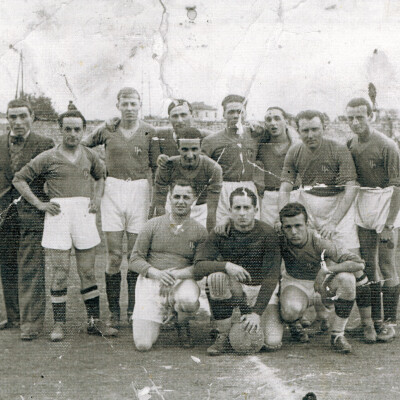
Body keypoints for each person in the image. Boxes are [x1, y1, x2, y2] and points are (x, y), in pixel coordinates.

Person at [13, 107, 118, 341]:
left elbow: (101, 176)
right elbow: (19, 179)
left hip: (83, 214)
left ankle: (94, 321)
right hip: (58, 215)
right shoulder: (48, 156)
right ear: (60, 130)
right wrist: (40, 204)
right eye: (68, 129)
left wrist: (97, 197)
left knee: (88, 272)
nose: (72, 133)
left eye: (77, 129)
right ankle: (59, 324)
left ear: (83, 131)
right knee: (60, 273)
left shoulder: (90, 155)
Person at [278, 109, 369, 337]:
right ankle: (322, 316)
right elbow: (285, 185)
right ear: (298, 130)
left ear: (323, 128)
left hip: (338, 207)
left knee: (353, 266)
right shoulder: (295, 150)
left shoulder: (338, 149)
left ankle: (368, 323)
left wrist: (334, 222)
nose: (310, 135)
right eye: (305, 130)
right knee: (312, 258)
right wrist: (282, 213)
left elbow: (351, 186)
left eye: (315, 129)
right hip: (309, 207)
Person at [82, 87, 156, 329]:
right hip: (112, 191)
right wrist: (99, 171)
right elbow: (83, 146)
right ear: (118, 106)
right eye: (125, 103)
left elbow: (156, 168)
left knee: (136, 256)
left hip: (139, 191)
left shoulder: (149, 131)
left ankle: (135, 310)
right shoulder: (108, 129)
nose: (129, 108)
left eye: (134, 103)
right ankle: (114, 312)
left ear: (140, 104)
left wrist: (156, 201)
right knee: (114, 256)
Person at [264, 202, 365, 353]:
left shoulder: (319, 240)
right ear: (282, 227)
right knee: (290, 311)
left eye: (298, 225)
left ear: (307, 224)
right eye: (288, 227)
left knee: (347, 279)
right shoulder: (279, 237)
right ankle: (294, 322)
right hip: (296, 283)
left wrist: (327, 270)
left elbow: (358, 263)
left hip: (323, 283)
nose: (293, 232)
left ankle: (337, 334)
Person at [194, 187, 282, 355]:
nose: (242, 213)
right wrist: (226, 265)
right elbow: (198, 268)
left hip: (261, 289)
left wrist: (257, 313)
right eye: (237, 208)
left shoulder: (267, 233)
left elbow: (272, 276)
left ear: (256, 210)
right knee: (217, 278)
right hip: (236, 289)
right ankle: (223, 334)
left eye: (247, 208)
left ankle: (248, 315)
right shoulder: (221, 233)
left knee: (272, 342)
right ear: (230, 210)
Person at [129, 180, 208, 351]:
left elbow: (201, 267)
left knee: (187, 300)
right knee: (143, 345)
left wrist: (175, 276)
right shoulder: (152, 225)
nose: (181, 201)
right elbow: (134, 259)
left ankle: (182, 323)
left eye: (186, 197)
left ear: (194, 200)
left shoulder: (200, 231)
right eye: (177, 196)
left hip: (181, 280)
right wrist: (157, 274)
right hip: (152, 279)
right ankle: (161, 314)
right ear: (169, 198)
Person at [346, 97, 400, 342]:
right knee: (367, 264)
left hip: (386, 201)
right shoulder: (350, 143)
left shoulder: (387, 145)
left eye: (360, 117)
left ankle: (390, 322)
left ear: (371, 116)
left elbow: (397, 186)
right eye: (351, 118)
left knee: (387, 264)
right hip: (363, 202)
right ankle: (373, 321)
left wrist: (389, 223)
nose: (355, 122)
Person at [0, 98, 54, 340]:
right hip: (3, 215)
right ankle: (14, 317)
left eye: (23, 116)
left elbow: (50, 180)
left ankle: (31, 323)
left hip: (32, 213)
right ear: (7, 119)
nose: (18, 122)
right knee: (7, 266)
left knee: (30, 268)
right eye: (13, 117)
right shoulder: (0, 143)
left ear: (32, 116)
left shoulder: (45, 144)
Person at [201, 94, 263, 222]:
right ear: (223, 114)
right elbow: (202, 169)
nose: (236, 115)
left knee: (250, 227)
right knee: (224, 228)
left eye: (240, 111)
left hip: (248, 187)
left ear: (245, 114)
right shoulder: (211, 140)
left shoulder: (256, 135)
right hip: (223, 189)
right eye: (231, 112)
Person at [153, 127, 222, 230]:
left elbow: (212, 210)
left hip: (201, 211)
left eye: (194, 149)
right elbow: (159, 204)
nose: (190, 155)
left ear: (200, 147)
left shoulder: (213, 168)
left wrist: (209, 238)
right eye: (185, 149)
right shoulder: (168, 165)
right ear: (178, 147)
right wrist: (161, 230)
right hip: (174, 207)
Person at [257, 106, 299, 227]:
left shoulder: (297, 144)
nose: (273, 123)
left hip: (294, 195)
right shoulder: (261, 146)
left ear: (286, 121)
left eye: (277, 118)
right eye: (268, 120)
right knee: (269, 236)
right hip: (270, 198)